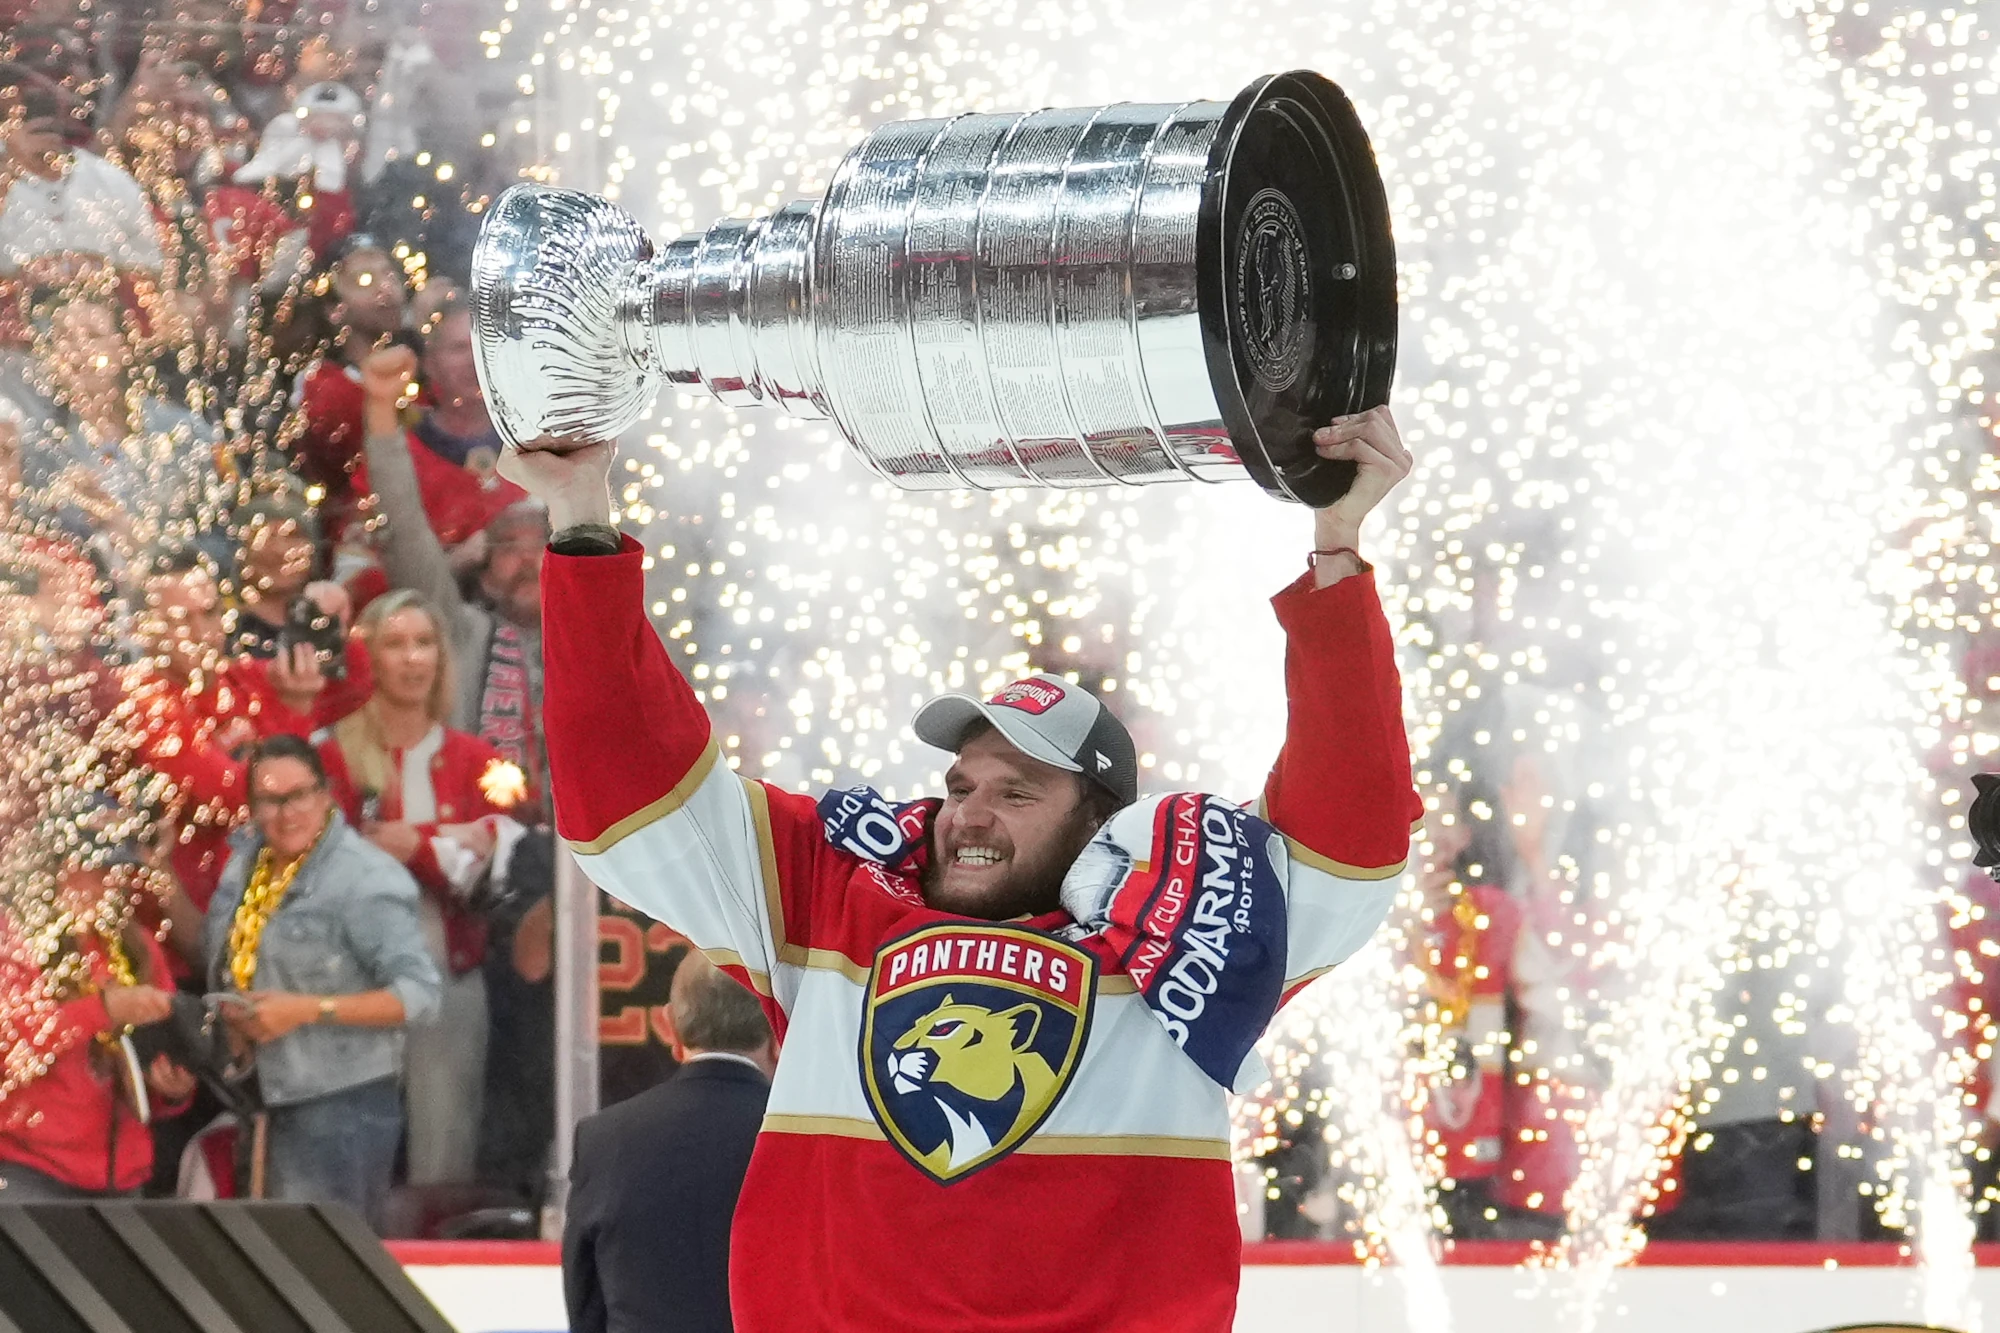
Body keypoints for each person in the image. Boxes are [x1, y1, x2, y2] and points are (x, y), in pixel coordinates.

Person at [503, 405, 1420, 1331]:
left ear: (1099, 823)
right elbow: (631, 803)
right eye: (961, 782)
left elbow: (1350, 836)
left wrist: (1336, 551)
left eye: (1018, 794)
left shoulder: (1184, 941)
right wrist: (581, 519)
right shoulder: (836, 892)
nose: (969, 813)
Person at [316, 588, 527, 1186]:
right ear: (369, 658)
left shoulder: (478, 758)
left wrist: (418, 843)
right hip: (355, 982)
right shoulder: (333, 752)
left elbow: (499, 856)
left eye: (425, 643)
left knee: (446, 1146)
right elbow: (334, 858)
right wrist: (449, 840)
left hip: (450, 978)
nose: (413, 659)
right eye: (395, 644)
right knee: (356, 1144)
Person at [202, 734, 441, 1228]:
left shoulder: (365, 879)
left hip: (343, 1108)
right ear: (251, 807)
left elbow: (420, 995)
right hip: (263, 1098)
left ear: (326, 793)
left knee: (325, 1271)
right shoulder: (246, 863)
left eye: (299, 796)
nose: (287, 813)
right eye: (270, 800)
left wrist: (308, 1009)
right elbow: (221, 959)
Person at [363, 344, 548, 798]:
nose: (527, 561)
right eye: (508, 547)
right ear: (484, 575)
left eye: (539, 547)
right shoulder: (459, 631)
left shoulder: (599, 645)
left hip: (580, 851)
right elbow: (405, 529)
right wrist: (382, 414)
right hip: (471, 836)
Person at [563, 950, 775, 1333]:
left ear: (669, 1026)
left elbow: (586, 1307)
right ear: (776, 1031)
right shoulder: (802, 1143)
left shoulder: (604, 1139)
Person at [0, 818, 195, 1199]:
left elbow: (164, 1045)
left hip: (121, 1177)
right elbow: (11, 1047)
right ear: (53, 869)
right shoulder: (13, 942)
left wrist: (171, 1089)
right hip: (30, 1171)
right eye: (93, 869)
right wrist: (102, 1009)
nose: (107, 883)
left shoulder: (134, 946)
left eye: (115, 871)